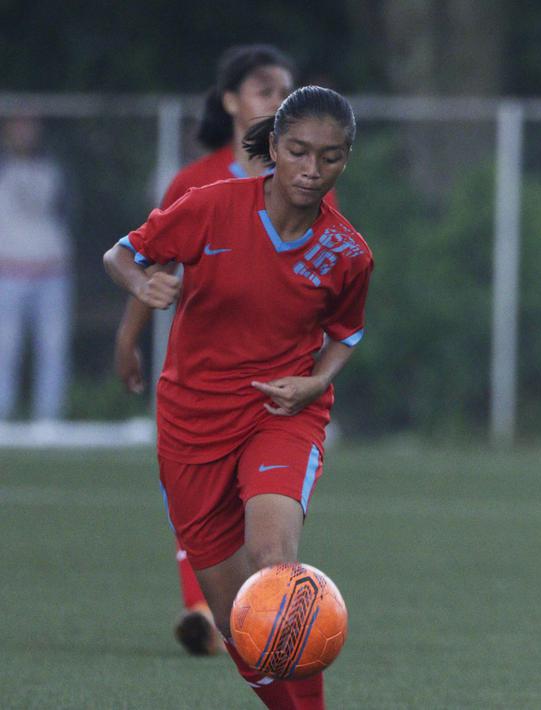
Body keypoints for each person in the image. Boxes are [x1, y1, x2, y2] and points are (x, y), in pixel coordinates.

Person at [103, 86, 371, 709]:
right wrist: (144, 282)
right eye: (298, 151)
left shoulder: (348, 252)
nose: (311, 170)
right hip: (190, 424)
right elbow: (121, 254)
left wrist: (317, 381)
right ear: (273, 146)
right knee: (238, 625)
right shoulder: (210, 207)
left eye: (328, 157)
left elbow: (346, 332)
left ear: (344, 160)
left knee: (274, 565)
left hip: (280, 414)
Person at [113, 44, 301, 657]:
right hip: (198, 381)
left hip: (276, 385)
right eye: (264, 89)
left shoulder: (304, 186)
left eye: (285, 91)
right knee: (197, 501)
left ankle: (253, 613)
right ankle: (215, 611)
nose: (277, 101)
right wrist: (128, 337)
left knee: (261, 507)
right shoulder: (197, 183)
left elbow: (327, 276)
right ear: (230, 100)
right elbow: (151, 261)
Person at [0, 115, 72, 421]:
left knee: (52, 349)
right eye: (18, 126)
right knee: (6, 349)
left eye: (29, 126)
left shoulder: (55, 170)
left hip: (51, 272)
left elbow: (68, 213)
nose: (24, 132)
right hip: (9, 271)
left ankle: (49, 419)